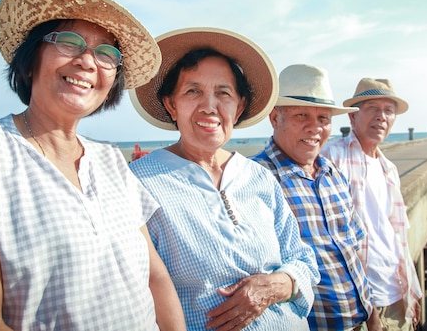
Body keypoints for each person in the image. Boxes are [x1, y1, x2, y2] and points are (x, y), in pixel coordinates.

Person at [0, 0, 186, 330]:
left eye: (107, 54)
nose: (87, 61)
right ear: (29, 61)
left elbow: (155, 279)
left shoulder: (110, 159)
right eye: (69, 42)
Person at [128, 28, 320, 331]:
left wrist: (277, 285)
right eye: (193, 91)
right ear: (171, 105)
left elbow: (303, 259)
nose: (209, 106)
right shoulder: (138, 182)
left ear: (239, 107)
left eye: (223, 93)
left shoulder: (259, 178)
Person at [251, 64, 381, 331]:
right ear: (275, 118)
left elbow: (352, 252)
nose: (315, 128)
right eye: (301, 115)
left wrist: (374, 319)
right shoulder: (254, 180)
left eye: (323, 119)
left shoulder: (333, 173)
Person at [323, 78, 422, 331]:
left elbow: (397, 235)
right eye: (372, 108)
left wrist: (413, 290)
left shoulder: (389, 168)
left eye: (388, 110)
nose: (381, 116)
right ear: (352, 118)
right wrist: (368, 310)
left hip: (397, 292)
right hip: (361, 302)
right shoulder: (332, 157)